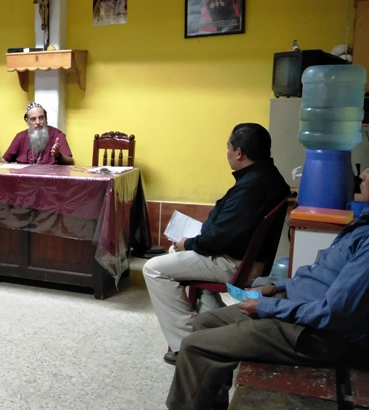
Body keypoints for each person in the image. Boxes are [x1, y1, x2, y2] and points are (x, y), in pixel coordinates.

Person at [167, 167, 369, 410]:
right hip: (296, 303)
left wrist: (267, 307)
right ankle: (210, 403)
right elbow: (320, 277)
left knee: (194, 346)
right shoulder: (362, 224)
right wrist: (276, 287)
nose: (363, 175)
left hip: (314, 333)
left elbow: (335, 313)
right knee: (205, 322)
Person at [143, 123, 290, 365]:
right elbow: (227, 230)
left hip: (233, 262)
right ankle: (212, 332)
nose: (227, 152)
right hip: (244, 258)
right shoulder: (268, 177)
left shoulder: (251, 186)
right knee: (175, 256)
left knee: (154, 269)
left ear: (239, 153)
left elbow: (216, 239)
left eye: (228, 147)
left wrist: (189, 243)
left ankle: (189, 344)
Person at [0, 102, 74, 165]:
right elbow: (5, 162)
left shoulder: (56, 134)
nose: (38, 122)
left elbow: (71, 162)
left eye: (41, 118)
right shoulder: (20, 137)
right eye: (33, 119)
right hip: (23, 181)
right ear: (27, 121)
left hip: (49, 181)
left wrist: (58, 155)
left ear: (46, 119)